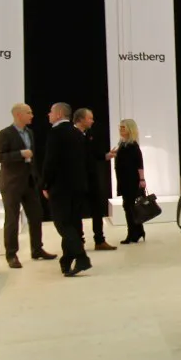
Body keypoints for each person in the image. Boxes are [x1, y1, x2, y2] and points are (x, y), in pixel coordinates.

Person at [0, 102, 55, 269]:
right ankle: (11, 255)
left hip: (29, 181)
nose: (32, 116)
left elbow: (32, 158)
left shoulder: (29, 133)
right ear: (18, 115)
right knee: (12, 220)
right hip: (11, 183)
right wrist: (19, 154)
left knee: (36, 215)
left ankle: (37, 249)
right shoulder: (4, 134)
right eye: (29, 112)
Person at [41, 102, 91, 277]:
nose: (48, 114)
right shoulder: (77, 133)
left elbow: (50, 161)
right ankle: (67, 261)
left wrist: (45, 184)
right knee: (73, 224)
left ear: (59, 114)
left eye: (51, 112)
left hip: (61, 187)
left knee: (62, 224)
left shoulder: (56, 133)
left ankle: (81, 258)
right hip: (78, 186)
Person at [73, 108, 115, 252]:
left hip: (92, 177)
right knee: (77, 211)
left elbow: (94, 154)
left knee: (97, 209)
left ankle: (99, 240)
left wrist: (106, 155)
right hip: (78, 179)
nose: (92, 121)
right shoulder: (71, 135)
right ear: (81, 119)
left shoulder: (90, 134)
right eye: (89, 118)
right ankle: (79, 241)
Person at [108, 119, 147, 244]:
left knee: (129, 206)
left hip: (131, 179)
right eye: (120, 127)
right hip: (124, 179)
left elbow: (139, 163)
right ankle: (138, 230)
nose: (120, 130)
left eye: (123, 128)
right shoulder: (123, 143)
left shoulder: (132, 145)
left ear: (130, 129)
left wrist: (142, 179)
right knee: (129, 206)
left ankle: (133, 233)